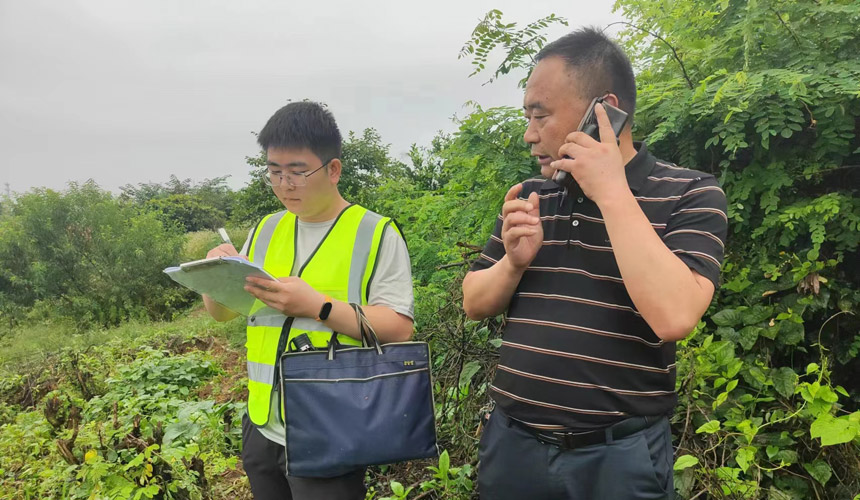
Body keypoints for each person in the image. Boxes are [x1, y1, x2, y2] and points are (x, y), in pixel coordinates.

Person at [462, 27, 728, 499]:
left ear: (601, 111)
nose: (529, 135)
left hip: (618, 460)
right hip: (512, 447)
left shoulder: (692, 193)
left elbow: (674, 316)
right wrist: (513, 265)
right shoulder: (532, 196)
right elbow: (474, 302)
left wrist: (610, 190)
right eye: (527, 116)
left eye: (540, 115)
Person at [203, 101, 414, 500]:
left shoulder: (375, 233)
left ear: (333, 170)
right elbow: (222, 312)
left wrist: (319, 306)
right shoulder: (265, 229)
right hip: (262, 422)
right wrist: (213, 277)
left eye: (298, 171)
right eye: (274, 171)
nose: (285, 184)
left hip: (330, 424)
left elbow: (399, 328)